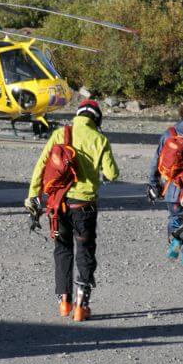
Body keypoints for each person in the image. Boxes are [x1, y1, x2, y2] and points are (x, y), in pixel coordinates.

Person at [26, 100, 120, 321]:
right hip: (84, 207)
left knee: (62, 249)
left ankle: (64, 302)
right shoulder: (100, 139)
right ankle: (81, 305)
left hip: (58, 206)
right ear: (96, 119)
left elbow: (41, 166)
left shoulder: (60, 134)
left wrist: (33, 195)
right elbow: (112, 174)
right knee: (85, 251)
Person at [148, 104, 183, 265]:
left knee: (175, 216)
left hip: (172, 187)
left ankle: (175, 240)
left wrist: (153, 182)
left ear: (180, 116)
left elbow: (156, 160)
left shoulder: (169, 134)